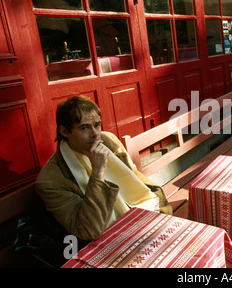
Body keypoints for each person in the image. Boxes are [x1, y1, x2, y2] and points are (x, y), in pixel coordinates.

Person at [35, 96, 172, 241]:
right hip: (105, 240)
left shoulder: (108, 141)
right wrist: (98, 172)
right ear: (64, 131)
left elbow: (135, 177)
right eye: (85, 128)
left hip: (143, 212)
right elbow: (88, 230)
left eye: (97, 125)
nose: (95, 134)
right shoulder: (50, 181)